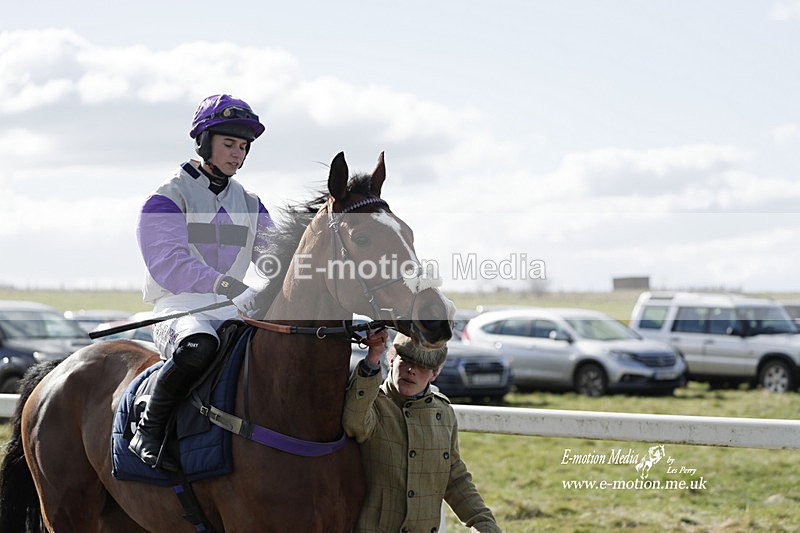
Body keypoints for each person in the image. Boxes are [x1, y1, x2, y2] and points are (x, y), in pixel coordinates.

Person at [129, 94, 273, 470]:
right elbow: (168, 264)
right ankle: (150, 427)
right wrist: (228, 285)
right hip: (178, 307)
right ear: (204, 141)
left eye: (243, 147)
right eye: (229, 144)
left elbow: (276, 258)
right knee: (198, 344)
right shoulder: (167, 195)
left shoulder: (251, 202)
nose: (237, 154)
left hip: (232, 308)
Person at [343, 330, 502, 532]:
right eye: (406, 360)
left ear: (435, 373)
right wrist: (372, 359)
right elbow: (353, 421)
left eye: (423, 366)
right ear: (391, 359)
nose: (411, 370)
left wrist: (484, 523)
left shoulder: (443, 414)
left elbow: (455, 478)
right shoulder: (372, 404)